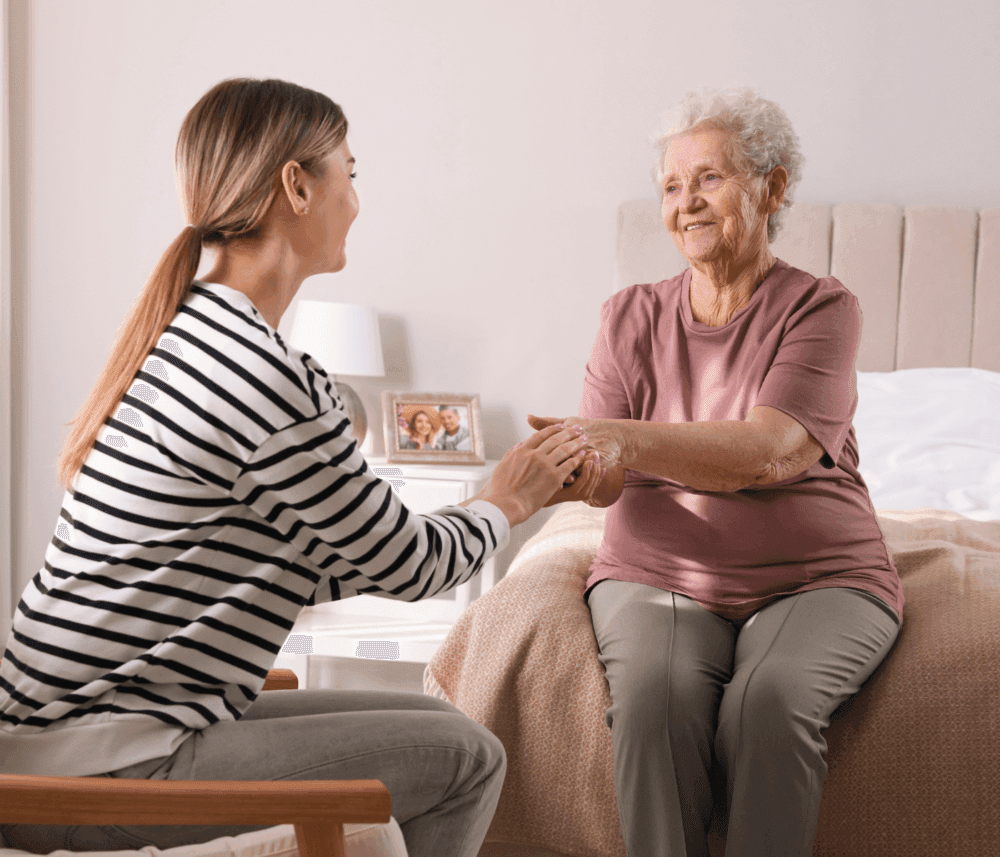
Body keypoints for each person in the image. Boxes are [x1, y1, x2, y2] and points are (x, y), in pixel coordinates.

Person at [0, 78, 605, 857]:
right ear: (296, 184)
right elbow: (412, 564)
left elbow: (268, 565)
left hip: (69, 741)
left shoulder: (191, 332)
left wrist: (452, 515)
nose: (356, 199)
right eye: (350, 172)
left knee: (446, 725)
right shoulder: (255, 369)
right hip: (95, 765)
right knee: (467, 759)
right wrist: (505, 501)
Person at [530, 87, 903, 857]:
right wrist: (570, 463)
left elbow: (770, 449)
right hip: (655, 571)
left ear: (771, 188)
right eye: (671, 185)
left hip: (819, 575)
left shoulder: (820, 309)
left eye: (710, 178)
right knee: (652, 704)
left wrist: (621, 439)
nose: (686, 202)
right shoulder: (628, 315)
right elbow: (603, 478)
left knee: (769, 702)